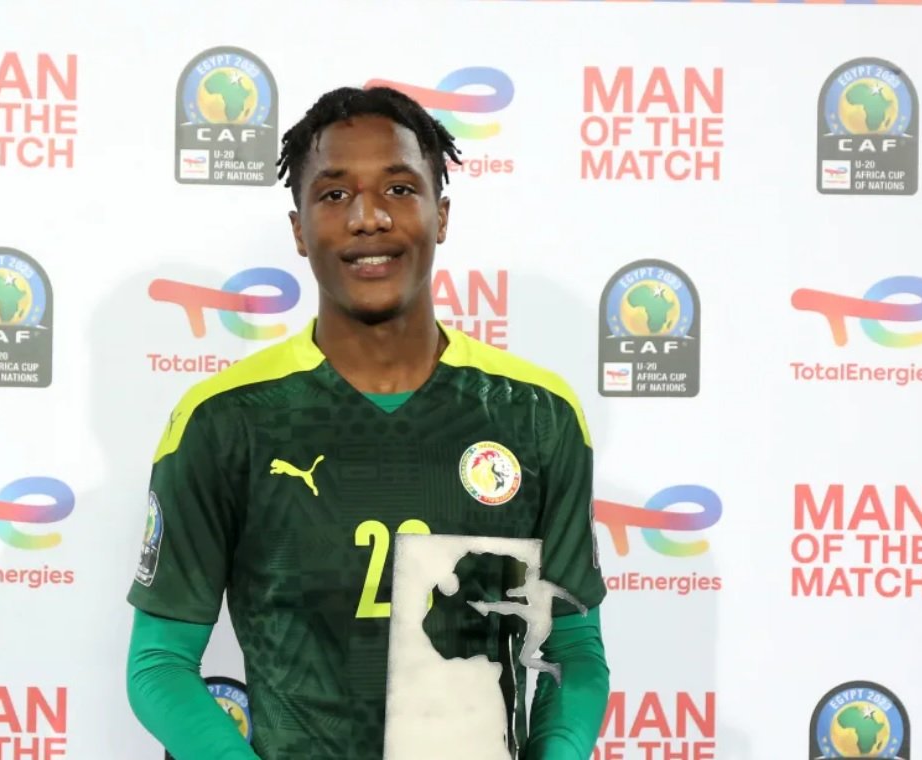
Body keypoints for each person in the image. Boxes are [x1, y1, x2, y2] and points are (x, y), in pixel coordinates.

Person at [125, 85, 609, 760]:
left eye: (400, 190)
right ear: (299, 230)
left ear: (442, 215)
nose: (369, 217)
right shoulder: (225, 420)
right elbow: (159, 665)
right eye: (334, 194)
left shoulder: (536, 413)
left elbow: (572, 649)